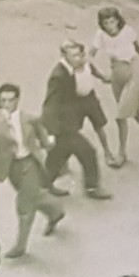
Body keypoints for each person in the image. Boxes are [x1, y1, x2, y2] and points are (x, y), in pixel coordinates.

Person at [0, 83, 65, 258]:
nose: (7, 104)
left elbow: (45, 140)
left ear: (17, 100)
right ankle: (55, 211)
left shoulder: (30, 119)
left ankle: (20, 246)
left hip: (29, 165)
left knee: (24, 205)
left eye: (10, 100)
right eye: (3, 100)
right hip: (11, 168)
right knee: (34, 196)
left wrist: (51, 142)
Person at [87, 7, 139, 163]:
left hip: (132, 74)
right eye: (106, 23)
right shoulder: (101, 35)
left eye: (112, 21)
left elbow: (138, 47)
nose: (110, 26)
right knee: (131, 110)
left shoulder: (127, 31)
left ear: (118, 20)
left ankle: (121, 154)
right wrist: (100, 74)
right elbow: (89, 56)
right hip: (115, 76)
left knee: (121, 116)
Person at [42, 41, 113, 199]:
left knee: (57, 156)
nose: (78, 59)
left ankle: (43, 185)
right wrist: (51, 132)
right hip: (63, 126)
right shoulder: (59, 76)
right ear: (64, 56)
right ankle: (92, 188)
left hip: (67, 122)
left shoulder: (72, 68)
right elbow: (50, 105)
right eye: (73, 56)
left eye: (79, 55)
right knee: (88, 152)